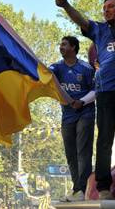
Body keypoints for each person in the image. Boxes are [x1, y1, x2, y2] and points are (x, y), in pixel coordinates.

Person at [55, 0, 115, 201]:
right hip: (105, 92)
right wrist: (66, 5)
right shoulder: (99, 30)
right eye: (104, 7)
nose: (106, 10)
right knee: (105, 139)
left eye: (111, 6)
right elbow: (81, 20)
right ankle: (104, 186)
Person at [49, 36, 95, 202]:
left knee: (83, 151)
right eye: (60, 44)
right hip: (67, 115)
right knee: (71, 154)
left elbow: (96, 90)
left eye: (64, 44)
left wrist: (81, 102)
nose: (60, 47)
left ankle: (83, 188)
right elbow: (43, 74)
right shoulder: (56, 68)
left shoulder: (86, 68)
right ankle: (77, 188)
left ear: (73, 47)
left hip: (85, 113)